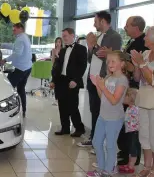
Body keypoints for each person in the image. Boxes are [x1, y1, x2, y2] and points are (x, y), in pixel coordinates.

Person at [78, 11, 123, 148]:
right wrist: (91, 47)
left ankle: (102, 142)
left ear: (103, 21)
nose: (94, 24)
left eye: (96, 21)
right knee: (94, 110)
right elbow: (91, 57)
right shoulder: (98, 37)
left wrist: (94, 46)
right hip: (93, 79)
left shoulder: (114, 36)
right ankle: (94, 139)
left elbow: (113, 59)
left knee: (103, 111)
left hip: (105, 80)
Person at [86, 50, 129, 177]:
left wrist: (103, 87)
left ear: (121, 64)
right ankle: (101, 167)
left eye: (113, 61)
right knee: (96, 142)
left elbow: (115, 100)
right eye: (108, 61)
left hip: (114, 119)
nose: (109, 63)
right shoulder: (108, 77)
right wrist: (98, 86)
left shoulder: (122, 80)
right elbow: (102, 97)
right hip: (102, 116)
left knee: (110, 145)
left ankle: (108, 170)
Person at [118, 16, 148, 166]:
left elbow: (140, 73)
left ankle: (132, 156)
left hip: (135, 91)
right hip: (127, 85)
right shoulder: (131, 42)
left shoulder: (143, 45)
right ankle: (124, 152)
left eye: (127, 25)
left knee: (133, 127)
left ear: (136, 27)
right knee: (125, 122)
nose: (124, 27)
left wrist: (130, 65)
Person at [51, 28, 87, 137]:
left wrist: (75, 80)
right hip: (61, 80)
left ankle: (79, 128)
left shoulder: (81, 49)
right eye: (63, 36)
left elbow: (82, 66)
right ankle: (65, 128)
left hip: (72, 81)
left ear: (72, 36)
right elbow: (57, 67)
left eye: (65, 36)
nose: (64, 38)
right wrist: (53, 80)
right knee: (62, 106)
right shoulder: (62, 50)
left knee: (72, 106)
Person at [130, 26, 154, 177]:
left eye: (147, 35)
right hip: (143, 100)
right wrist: (136, 65)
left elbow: (152, 80)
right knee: (143, 135)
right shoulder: (145, 53)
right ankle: (147, 166)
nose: (144, 38)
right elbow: (138, 78)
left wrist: (142, 64)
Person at [0, 23, 32, 118]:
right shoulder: (24, 37)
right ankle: (23, 110)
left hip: (19, 69)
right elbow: (14, 46)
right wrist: (2, 45)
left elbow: (17, 53)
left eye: (14, 30)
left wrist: (4, 60)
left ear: (20, 29)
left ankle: (6, 112)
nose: (13, 31)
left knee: (8, 89)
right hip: (27, 68)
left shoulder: (20, 39)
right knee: (21, 89)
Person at [118, 88, 139, 174]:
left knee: (133, 149)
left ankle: (131, 166)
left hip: (134, 132)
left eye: (124, 97)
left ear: (130, 98)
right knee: (130, 148)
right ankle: (129, 163)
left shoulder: (135, 109)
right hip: (130, 131)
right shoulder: (129, 108)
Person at [51, 37, 63, 106]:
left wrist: (57, 54)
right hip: (55, 69)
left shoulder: (63, 50)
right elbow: (52, 61)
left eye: (59, 42)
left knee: (60, 85)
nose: (58, 43)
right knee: (54, 84)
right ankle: (56, 99)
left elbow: (62, 61)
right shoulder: (53, 50)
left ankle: (59, 99)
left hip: (60, 69)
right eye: (57, 42)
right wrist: (53, 54)